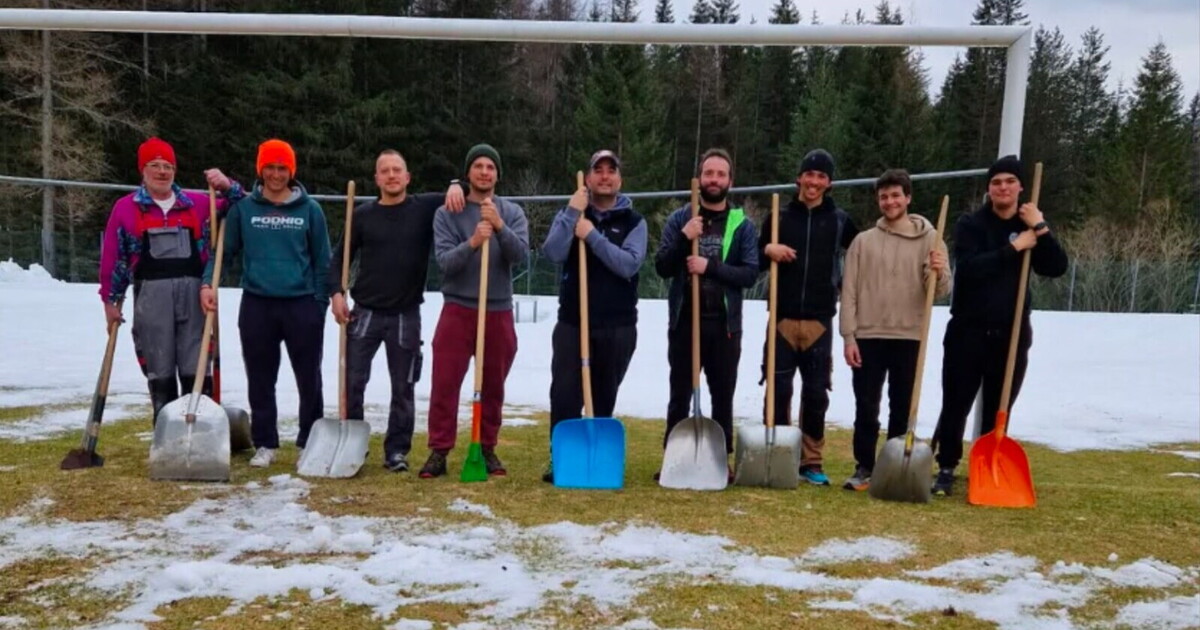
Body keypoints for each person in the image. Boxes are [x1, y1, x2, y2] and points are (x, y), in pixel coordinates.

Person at [930, 155, 1068, 496]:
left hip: (1011, 333)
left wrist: (1040, 228)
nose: (1002, 188)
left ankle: (988, 467)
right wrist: (1013, 247)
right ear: (989, 188)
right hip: (968, 331)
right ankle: (946, 467)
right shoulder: (971, 225)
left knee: (998, 405)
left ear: (1020, 187)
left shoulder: (1030, 227)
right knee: (956, 403)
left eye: (1009, 181)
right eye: (996, 182)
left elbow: (1056, 267)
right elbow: (971, 269)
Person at [328, 150, 465, 473]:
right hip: (364, 312)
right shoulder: (361, 215)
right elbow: (338, 259)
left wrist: (455, 183)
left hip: (406, 314)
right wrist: (336, 292)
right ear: (376, 179)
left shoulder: (424, 208)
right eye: (384, 171)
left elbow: (464, 189)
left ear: (407, 177)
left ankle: (396, 451)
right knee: (353, 382)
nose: (391, 175)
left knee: (403, 386)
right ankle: (353, 445)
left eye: (397, 170)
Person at [201, 139, 332, 469]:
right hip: (258, 304)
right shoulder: (244, 209)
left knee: (309, 377)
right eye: (270, 167)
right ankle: (265, 442)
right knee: (260, 376)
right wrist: (207, 282)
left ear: (292, 171)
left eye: (282, 168)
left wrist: (319, 303)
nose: (276, 174)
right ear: (260, 170)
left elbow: (322, 260)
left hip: (301, 304)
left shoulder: (310, 210)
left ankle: (309, 438)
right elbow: (223, 253)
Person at [98, 137, 243, 420]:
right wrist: (110, 300)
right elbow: (115, 259)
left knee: (195, 364)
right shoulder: (126, 208)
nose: (162, 172)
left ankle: (201, 428)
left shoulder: (200, 204)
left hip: (195, 298)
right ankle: (165, 429)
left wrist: (227, 185)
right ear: (143, 170)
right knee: (159, 365)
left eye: (168, 166)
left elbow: (244, 206)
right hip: (152, 298)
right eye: (155, 165)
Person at [420, 144, 530, 479]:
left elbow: (521, 257)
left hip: (497, 310)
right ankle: (439, 451)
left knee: (493, 385)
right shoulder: (447, 213)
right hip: (458, 307)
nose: (484, 172)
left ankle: (486, 447)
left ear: (497, 175)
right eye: (478, 166)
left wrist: (498, 226)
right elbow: (445, 264)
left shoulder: (511, 213)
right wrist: (472, 242)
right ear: (468, 173)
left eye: (490, 167)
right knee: (445, 383)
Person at [838, 169, 951, 491]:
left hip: (909, 335)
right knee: (866, 407)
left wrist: (939, 272)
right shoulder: (863, 242)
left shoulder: (930, 238)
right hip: (868, 335)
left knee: (901, 406)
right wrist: (849, 336)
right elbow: (849, 291)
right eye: (884, 196)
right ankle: (864, 466)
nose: (889, 202)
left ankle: (896, 466)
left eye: (896, 195)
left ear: (908, 198)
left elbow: (939, 290)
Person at [540, 150, 647, 483]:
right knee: (564, 394)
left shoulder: (634, 222)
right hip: (573, 322)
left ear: (619, 180)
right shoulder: (572, 214)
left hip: (617, 325)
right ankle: (561, 459)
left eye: (610, 171)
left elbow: (628, 264)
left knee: (603, 395)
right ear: (588, 179)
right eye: (597, 171)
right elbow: (552, 252)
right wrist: (573, 213)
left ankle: (597, 458)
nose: (604, 176)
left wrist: (591, 236)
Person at [654, 148, 759, 482]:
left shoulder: (741, 224)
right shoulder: (680, 219)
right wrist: (685, 239)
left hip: (724, 326)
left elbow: (750, 274)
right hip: (686, 322)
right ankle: (673, 456)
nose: (714, 180)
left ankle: (719, 461)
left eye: (720, 174)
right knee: (679, 393)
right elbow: (662, 267)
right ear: (699, 178)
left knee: (722, 393)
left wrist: (709, 266)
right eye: (709, 173)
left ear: (730, 180)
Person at [759, 148, 859, 486]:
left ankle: (811, 461)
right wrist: (767, 250)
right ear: (799, 178)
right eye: (809, 174)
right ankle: (779, 454)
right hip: (783, 318)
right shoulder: (779, 216)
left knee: (816, 394)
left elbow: (864, 255)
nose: (814, 181)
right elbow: (754, 259)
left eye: (821, 176)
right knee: (779, 390)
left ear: (828, 183)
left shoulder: (840, 221)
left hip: (820, 321)